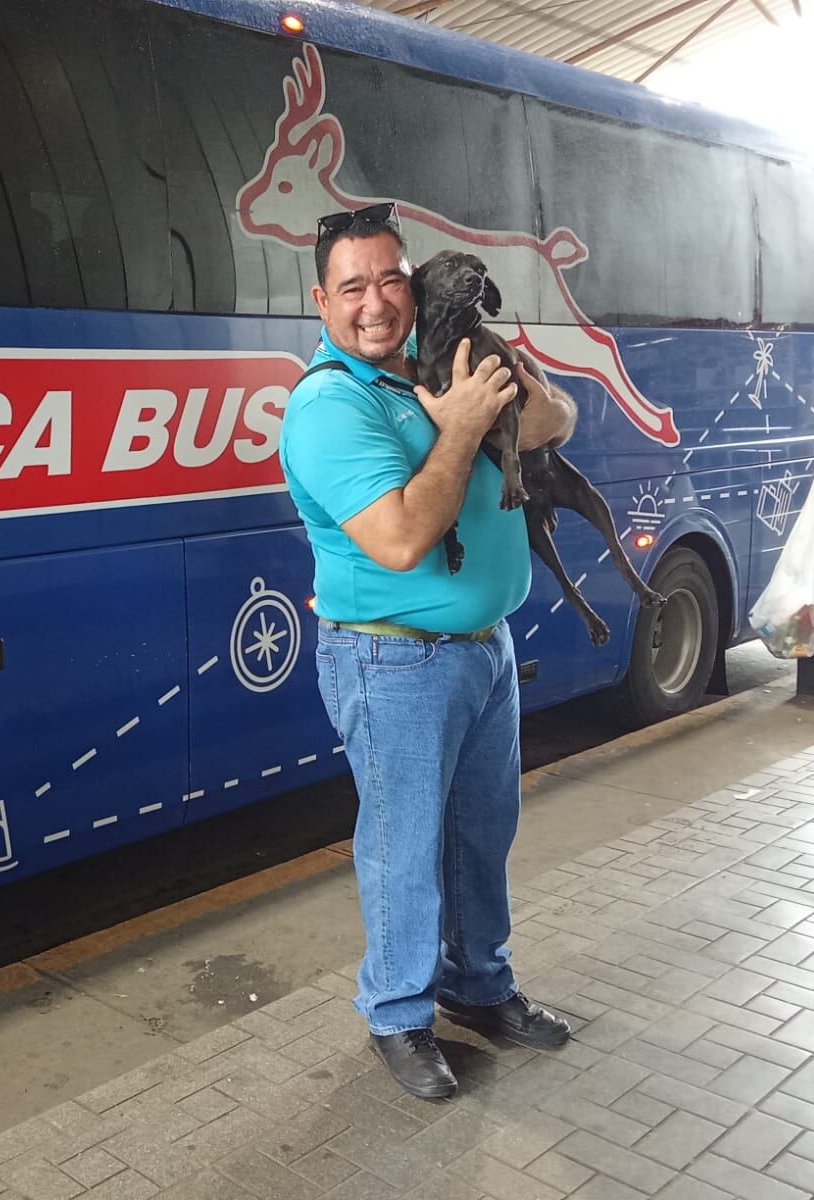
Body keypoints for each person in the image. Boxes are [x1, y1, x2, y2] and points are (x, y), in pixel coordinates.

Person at [279, 203, 576, 1100]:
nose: (377, 303)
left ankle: (479, 989)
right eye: (354, 286)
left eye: (391, 280)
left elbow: (553, 418)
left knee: (484, 835)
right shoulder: (329, 406)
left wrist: (505, 397)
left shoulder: (445, 364)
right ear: (322, 300)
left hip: (483, 652)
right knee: (404, 847)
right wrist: (461, 425)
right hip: (392, 662)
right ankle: (399, 1015)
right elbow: (404, 537)